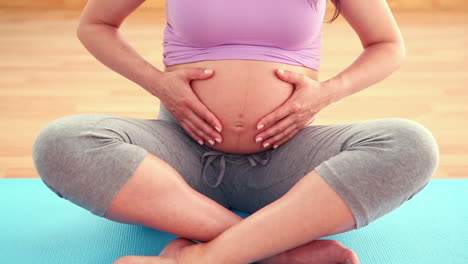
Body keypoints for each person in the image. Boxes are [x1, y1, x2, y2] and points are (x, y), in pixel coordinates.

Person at [32, 0, 440, 263]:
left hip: (287, 158)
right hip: (181, 156)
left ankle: (198, 258)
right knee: (62, 143)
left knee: (411, 146)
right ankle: (277, 252)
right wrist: (160, 84)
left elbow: (387, 44)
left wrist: (325, 94)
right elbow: (96, 24)